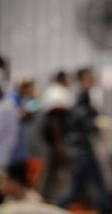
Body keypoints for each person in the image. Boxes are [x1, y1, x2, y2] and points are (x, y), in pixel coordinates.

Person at [59, 68, 111, 214]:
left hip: (81, 148)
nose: (92, 81)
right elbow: (82, 121)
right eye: (89, 78)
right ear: (82, 80)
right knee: (90, 187)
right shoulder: (82, 97)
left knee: (80, 188)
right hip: (81, 149)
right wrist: (95, 124)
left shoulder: (84, 97)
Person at [40, 71, 73, 201]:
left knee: (52, 172)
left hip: (52, 139)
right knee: (50, 171)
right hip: (54, 140)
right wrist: (59, 143)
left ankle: (49, 199)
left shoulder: (53, 91)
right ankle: (46, 199)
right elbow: (55, 121)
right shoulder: (57, 93)